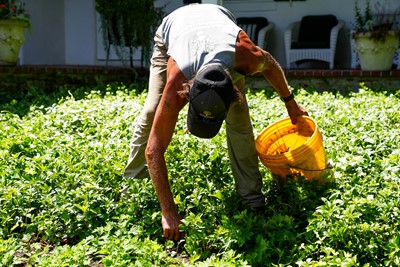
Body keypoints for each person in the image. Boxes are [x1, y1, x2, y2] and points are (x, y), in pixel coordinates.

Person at [123, 3, 308, 241]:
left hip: (220, 31)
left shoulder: (246, 57)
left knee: (240, 124)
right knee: (151, 113)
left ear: (233, 90)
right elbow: (153, 150)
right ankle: (133, 185)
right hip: (174, 30)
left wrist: (290, 103)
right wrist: (168, 211)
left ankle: (253, 202)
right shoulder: (176, 80)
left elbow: (270, 63)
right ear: (186, 94)